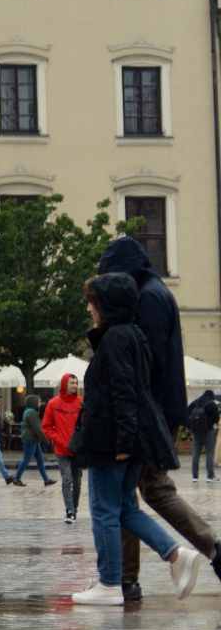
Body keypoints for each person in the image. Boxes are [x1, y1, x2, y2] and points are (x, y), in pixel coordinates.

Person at [68, 271, 203, 606]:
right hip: (130, 438)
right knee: (125, 508)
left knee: (104, 511)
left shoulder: (114, 339)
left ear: (106, 305)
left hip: (112, 441)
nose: (89, 309)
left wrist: (124, 443)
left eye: (92, 302)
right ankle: (176, 555)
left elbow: (124, 393)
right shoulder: (133, 335)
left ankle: (110, 583)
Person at [101, 233, 221, 600]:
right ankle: (129, 577)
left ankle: (129, 577)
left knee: (138, 490)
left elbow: (144, 362)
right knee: (139, 490)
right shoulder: (156, 291)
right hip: (156, 409)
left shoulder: (149, 297)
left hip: (149, 412)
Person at [43, 372, 85, 524]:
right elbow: (46, 427)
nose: (75, 385)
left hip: (77, 449)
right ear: (64, 384)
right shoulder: (53, 403)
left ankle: (74, 508)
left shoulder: (81, 403)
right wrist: (60, 440)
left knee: (77, 481)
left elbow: (86, 424)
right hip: (62, 449)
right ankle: (69, 510)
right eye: (72, 383)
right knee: (67, 479)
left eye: (76, 383)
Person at [13, 393, 55, 488]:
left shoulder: (28, 411)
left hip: (32, 439)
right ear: (34, 402)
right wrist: (46, 440)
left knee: (40, 460)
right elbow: (38, 429)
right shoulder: (32, 413)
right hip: (30, 439)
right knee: (26, 460)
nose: (40, 403)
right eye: (38, 401)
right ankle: (17, 478)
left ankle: (46, 480)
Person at [189, 390, 219, 482]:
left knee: (195, 454)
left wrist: (192, 426)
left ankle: (195, 477)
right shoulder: (211, 404)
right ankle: (210, 477)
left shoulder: (195, 402)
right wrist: (211, 424)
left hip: (196, 432)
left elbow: (187, 412)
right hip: (209, 432)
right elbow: (216, 417)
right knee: (209, 454)